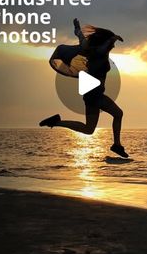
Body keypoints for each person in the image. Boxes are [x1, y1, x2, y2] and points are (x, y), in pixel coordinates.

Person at [39, 19, 128, 158]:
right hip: (95, 94)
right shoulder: (99, 53)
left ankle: (56, 122)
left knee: (89, 129)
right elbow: (102, 49)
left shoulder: (87, 48)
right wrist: (113, 39)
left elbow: (80, 36)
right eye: (112, 45)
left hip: (91, 93)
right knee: (118, 113)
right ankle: (117, 145)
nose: (114, 47)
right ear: (106, 43)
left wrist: (77, 29)